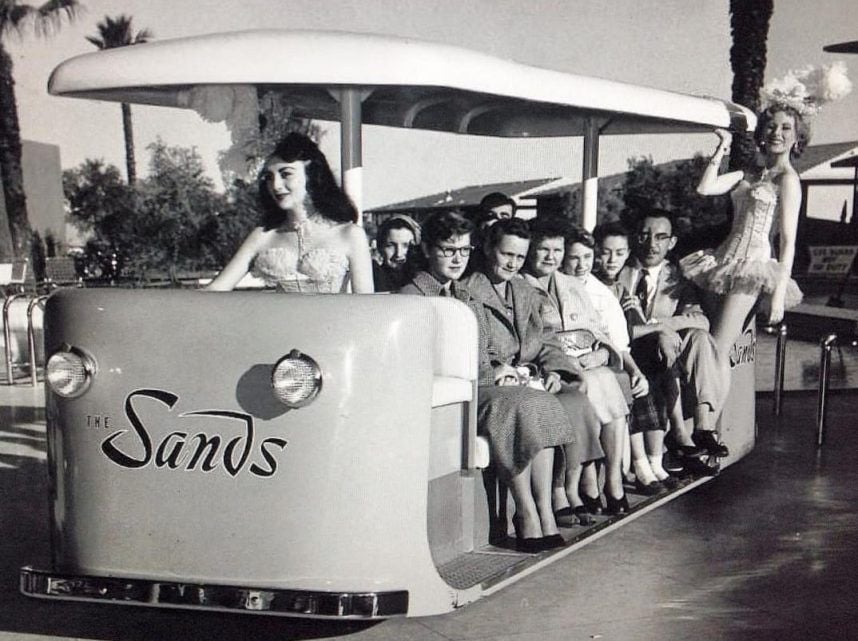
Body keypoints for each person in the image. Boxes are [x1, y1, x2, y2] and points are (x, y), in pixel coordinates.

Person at [400, 211, 588, 552]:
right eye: (447, 250)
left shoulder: (461, 294)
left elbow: (485, 346)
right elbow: (421, 361)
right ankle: (525, 513)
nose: (457, 258)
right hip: (449, 395)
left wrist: (504, 369)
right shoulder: (413, 297)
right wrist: (494, 372)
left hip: (478, 387)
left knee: (540, 402)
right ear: (427, 249)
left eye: (462, 250)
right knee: (518, 406)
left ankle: (544, 510)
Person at [461, 218, 606, 521]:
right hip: (498, 383)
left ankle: (561, 489)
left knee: (576, 399)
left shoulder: (525, 291)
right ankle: (541, 507)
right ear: (488, 248)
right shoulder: (469, 291)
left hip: (531, 378)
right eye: (506, 254)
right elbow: (475, 349)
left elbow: (546, 342)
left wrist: (557, 372)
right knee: (540, 406)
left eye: (519, 257)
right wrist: (503, 369)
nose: (513, 264)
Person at [521, 217, 642, 518]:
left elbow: (597, 329)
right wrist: (568, 364)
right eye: (543, 250)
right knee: (593, 383)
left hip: (585, 359)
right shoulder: (521, 287)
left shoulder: (571, 285)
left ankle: (612, 479)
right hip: (549, 366)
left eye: (557, 250)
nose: (551, 257)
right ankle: (575, 485)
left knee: (605, 378)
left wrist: (603, 352)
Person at [682, 109, 806, 358]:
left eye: (785, 128)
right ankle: (708, 397)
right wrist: (723, 147)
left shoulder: (788, 180)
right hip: (722, 262)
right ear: (761, 132)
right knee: (710, 346)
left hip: (753, 267)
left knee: (719, 347)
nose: (777, 133)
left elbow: (788, 241)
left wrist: (778, 295)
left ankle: (709, 399)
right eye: (771, 126)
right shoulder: (749, 173)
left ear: (797, 138)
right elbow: (705, 188)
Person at [616, 209, 726, 472]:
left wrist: (660, 326)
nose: (652, 244)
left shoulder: (678, 277)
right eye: (645, 235)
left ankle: (702, 427)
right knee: (665, 341)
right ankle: (680, 435)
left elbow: (700, 320)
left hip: (664, 347)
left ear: (672, 242)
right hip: (630, 349)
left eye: (661, 237)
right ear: (635, 238)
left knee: (699, 338)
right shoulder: (618, 269)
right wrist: (655, 331)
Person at [206, 133, 373, 293]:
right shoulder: (262, 235)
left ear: (312, 174)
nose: (275, 185)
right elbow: (215, 290)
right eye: (269, 177)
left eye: (285, 174)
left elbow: (366, 306)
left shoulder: (350, 234)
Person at [593, 221, 678, 489]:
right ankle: (642, 465)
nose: (612, 260)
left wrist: (638, 314)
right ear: (596, 252)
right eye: (606, 252)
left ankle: (655, 461)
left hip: (622, 351)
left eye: (619, 254)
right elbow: (614, 334)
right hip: (604, 354)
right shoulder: (593, 286)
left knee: (653, 367)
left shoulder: (619, 288)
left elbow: (628, 330)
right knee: (635, 377)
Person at [372, 214, 421, 292]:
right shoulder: (371, 281)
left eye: (406, 245)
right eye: (391, 246)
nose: (398, 253)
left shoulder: (423, 281)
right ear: (380, 248)